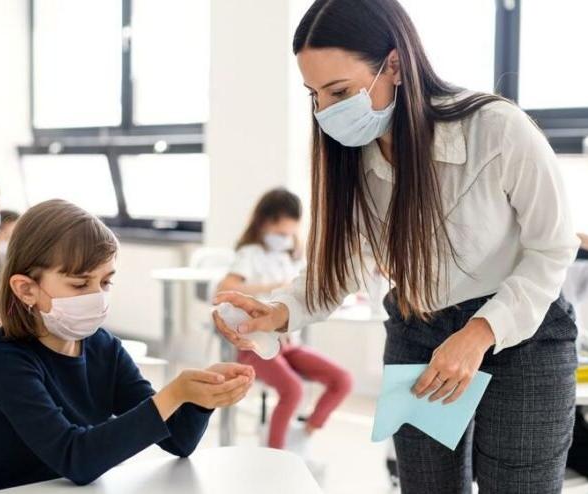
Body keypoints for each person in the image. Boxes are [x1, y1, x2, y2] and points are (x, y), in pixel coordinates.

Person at [213, 1, 579, 492]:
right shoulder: (355, 157)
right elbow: (342, 266)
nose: (325, 111)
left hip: (523, 335)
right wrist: (279, 311)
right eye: (314, 94)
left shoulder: (497, 128)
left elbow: (552, 247)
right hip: (419, 328)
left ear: (396, 65)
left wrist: (479, 333)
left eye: (339, 91)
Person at [0, 199, 255, 493]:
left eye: (105, 282)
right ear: (26, 289)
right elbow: (76, 459)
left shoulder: (103, 347)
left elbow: (179, 441)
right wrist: (173, 394)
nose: (97, 296)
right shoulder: (4, 360)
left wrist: (200, 396)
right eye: (80, 284)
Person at [217, 188, 352, 455]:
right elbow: (225, 288)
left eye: (289, 234)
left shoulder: (293, 256)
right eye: (280, 233)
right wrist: (273, 287)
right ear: (264, 223)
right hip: (256, 348)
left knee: (342, 380)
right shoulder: (250, 254)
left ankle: (302, 435)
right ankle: (274, 455)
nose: (284, 239)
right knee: (293, 390)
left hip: (289, 344)